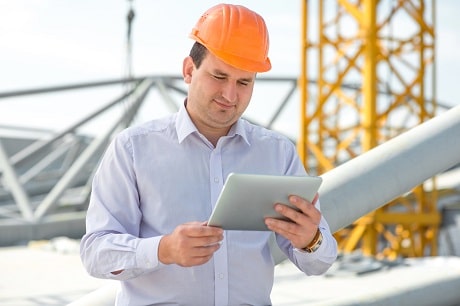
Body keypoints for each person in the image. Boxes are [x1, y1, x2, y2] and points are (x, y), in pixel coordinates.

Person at [80, 3, 338, 305]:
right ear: (190, 70)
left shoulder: (277, 153)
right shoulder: (133, 149)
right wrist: (163, 249)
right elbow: (95, 253)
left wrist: (311, 240)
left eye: (244, 82)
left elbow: (320, 262)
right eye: (219, 76)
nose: (230, 95)